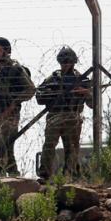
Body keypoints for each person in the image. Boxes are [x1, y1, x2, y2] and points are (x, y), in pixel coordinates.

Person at [36, 46, 92, 180]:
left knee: (72, 148)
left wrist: (85, 93)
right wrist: (53, 93)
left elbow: (92, 103)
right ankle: (45, 175)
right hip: (55, 117)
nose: (66, 65)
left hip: (73, 117)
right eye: (63, 62)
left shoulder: (82, 80)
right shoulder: (53, 78)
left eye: (68, 62)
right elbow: (39, 97)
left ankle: (70, 175)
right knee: (49, 145)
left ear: (74, 62)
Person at [0, 37, 35, 176]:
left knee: (6, 144)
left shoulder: (15, 68)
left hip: (10, 113)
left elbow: (30, 89)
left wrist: (12, 105)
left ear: (7, 51)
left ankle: (12, 174)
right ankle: (1, 174)